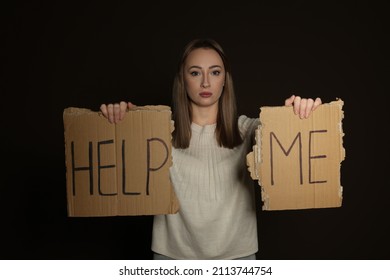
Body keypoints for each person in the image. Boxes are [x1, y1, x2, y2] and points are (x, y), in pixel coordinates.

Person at [100, 38, 322, 260]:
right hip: (171, 259)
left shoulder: (247, 131)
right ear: (182, 80)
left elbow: (279, 132)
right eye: (195, 73)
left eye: (215, 72)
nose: (206, 82)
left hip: (237, 260)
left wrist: (296, 115)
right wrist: (117, 118)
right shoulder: (157, 131)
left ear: (225, 79)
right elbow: (119, 146)